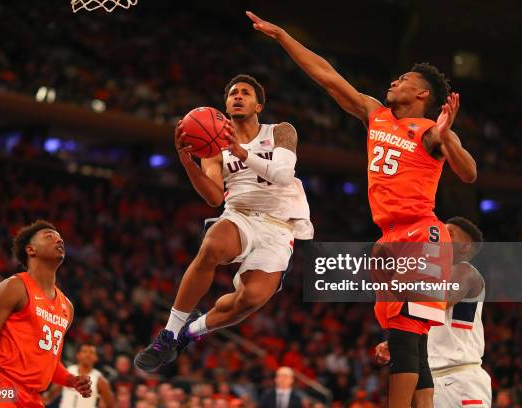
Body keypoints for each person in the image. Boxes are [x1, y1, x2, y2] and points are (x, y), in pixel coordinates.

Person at [246, 11, 477, 408]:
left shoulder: (430, 132)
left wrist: (448, 137)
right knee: (413, 343)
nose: (394, 81)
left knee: (406, 337)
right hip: (390, 238)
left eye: (404, 80)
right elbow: (327, 75)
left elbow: (469, 173)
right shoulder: (376, 115)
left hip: (421, 233)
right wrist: (284, 36)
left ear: (422, 95)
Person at [134, 74, 313, 372]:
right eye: (233, 94)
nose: (238, 96)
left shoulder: (281, 131)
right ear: (226, 105)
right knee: (212, 245)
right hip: (240, 214)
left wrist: (243, 153)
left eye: (245, 93)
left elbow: (282, 174)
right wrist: (188, 163)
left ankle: (190, 332)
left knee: (251, 298)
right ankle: (168, 333)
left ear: (258, 106)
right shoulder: (214, 145)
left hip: (279, 225)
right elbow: (214, 197)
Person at [0, 220, 91, 407]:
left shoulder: (67, 307)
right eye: (49, 236)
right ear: (31, 250)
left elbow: (48, 361)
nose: (59, 240)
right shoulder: (14, 287)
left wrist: (71, 380)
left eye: (60, 238)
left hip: (31, 397)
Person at [375, 217, 491, 407]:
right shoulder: (433, 275)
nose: (438, 236)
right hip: (429, 379)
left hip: (461, 379)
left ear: (465, 247)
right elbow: (425, 319)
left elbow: (440, 300)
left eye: (449, 233)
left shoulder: (465, 271)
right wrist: (398, 340)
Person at [45, 343, 115, 407]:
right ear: (78, 355)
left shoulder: (100, 380)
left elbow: (110, 405)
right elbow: (50, 395)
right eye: (84, 351)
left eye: (91, 352)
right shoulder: (68, 371)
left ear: (96, 358)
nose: (88, 355)